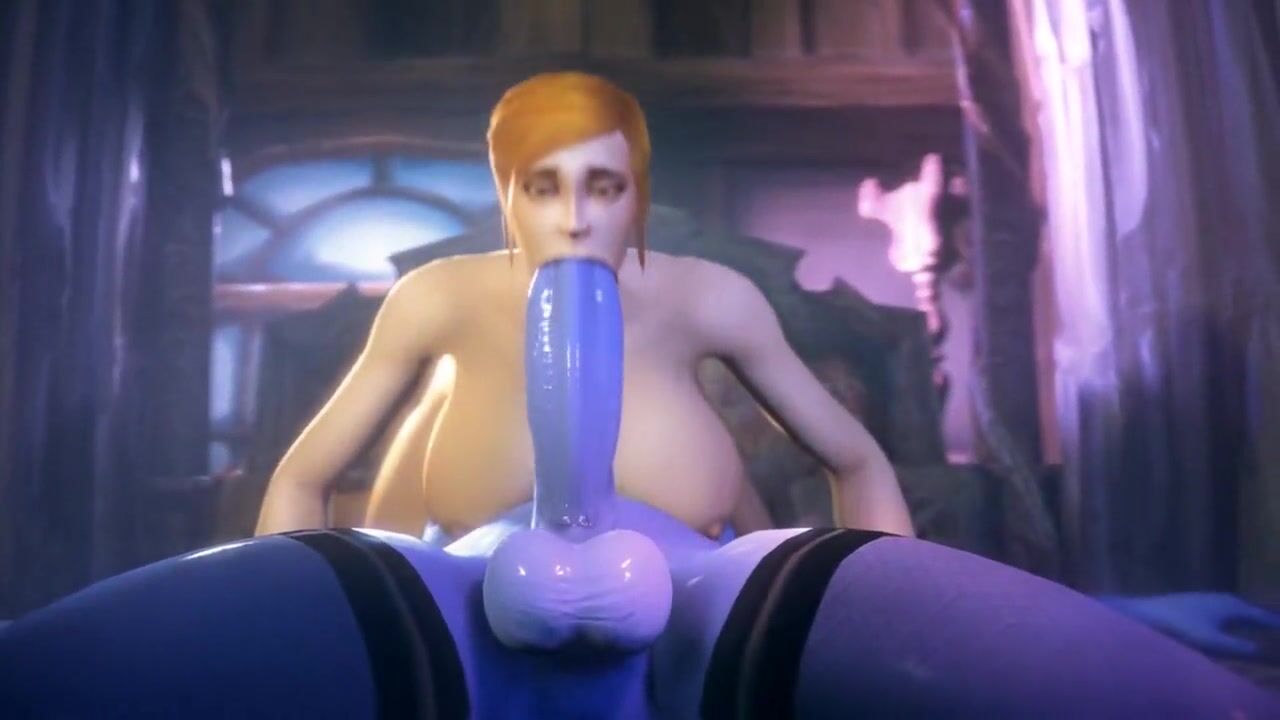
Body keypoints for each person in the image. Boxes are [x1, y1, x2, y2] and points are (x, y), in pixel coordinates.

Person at [2, 73, 1276, 719]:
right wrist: (307, 589)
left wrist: (885, 582)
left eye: (602, 187)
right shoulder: (437, 297)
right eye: (544, 187)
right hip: (450, 575)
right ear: (504, 193)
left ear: (639, 191)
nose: (574, 217)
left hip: (705, 579)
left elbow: (848, 452)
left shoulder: (713, 296)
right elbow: (306, 468)